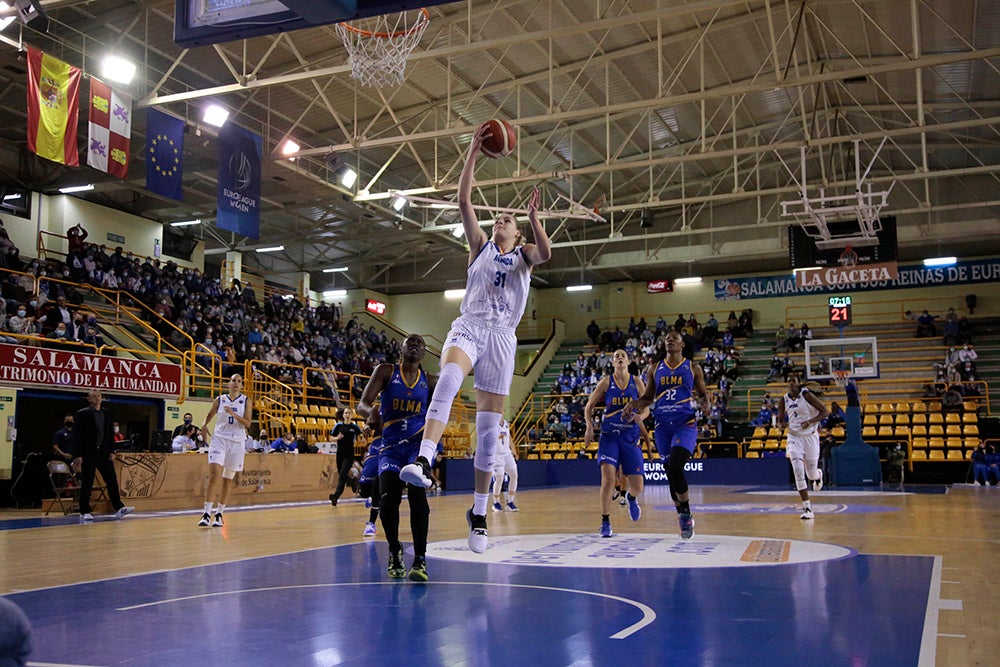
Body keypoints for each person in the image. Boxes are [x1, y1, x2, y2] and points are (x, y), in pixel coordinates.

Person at [397, 123, 552, 554]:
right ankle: (424, 458)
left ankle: (479, 513)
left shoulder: (524, 256)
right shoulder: (480, 245)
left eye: (510, 220)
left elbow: (547, 254)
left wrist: (536, 221)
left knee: (487, 431)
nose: (501, 219)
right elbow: (464, 199)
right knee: (447, 378)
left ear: (517, 234)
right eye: (499, 216)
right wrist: (472, 153)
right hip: (470, 324)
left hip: (503, 338)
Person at [355, 333, 436, 581]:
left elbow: (437, 416)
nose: (414, 343)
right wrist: (371, 413)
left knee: (417, 497)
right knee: (388, 501)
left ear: (424, 354)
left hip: (416, 446)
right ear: (400, 350)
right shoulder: (386, 371)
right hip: (390, 446)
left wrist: (432, 452)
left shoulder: (430, 381)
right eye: (409, 341)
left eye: (419, 343)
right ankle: (394, 549)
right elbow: (362, 405)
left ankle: (420, 558)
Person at [624, 330, 709, 539]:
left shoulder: (693, 367)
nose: (670, 341)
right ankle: (681, 514)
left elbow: (703, 393)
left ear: (682, 346)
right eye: (667, 339)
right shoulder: (654, 368)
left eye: (674, 339)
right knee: (671, 473)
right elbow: (647, 398)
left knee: (676, 466)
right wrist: (633, 405)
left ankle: (686, 512)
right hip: (662, 426)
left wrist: (705, 403)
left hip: (684, 423)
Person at [585, 348, 650, 538]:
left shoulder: (636, 382)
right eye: (616, 356)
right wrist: (589, 426)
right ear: (613, 363)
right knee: (607, 480)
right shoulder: (606, 382)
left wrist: (640, 417)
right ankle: (605, 521)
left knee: (638, 486)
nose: (620, 358)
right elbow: (589, 407)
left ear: (628, 362)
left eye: (623, 356)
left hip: (630, 436)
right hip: (609, 436)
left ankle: (630, 497)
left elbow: (646, 409)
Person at [198, 373, 252, 528]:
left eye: (239, 381)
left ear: (242, 385)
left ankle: (220, 513)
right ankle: (206, 513)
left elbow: (247, 423)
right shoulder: (220, 399)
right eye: (233, 380)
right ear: (228, 384)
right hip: (219, 440)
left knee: (228, 479)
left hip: (237, 442)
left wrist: (233, 414)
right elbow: (209, 414)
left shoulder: (246, 401)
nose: (236, 383)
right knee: (215, 475)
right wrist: (203, 425)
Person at [74, 388, 135, 523]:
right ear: (89, 399)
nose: (97, 398)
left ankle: (118, 507)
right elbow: (78, 435)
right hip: (88, 453)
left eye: (99, 396)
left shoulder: (107, 413)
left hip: (103, 453)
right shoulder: (83, 414)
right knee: (88, 482)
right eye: (94, 396)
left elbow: (109, 434)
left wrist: (111, 451)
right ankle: (84, 510)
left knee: (112, 480)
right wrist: (78, 455)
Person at [777, 374, 829, 520]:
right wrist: (781, 425)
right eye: (788, 382)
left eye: (793, 381)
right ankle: (807, 508)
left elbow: (825, 412)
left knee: (810, 474)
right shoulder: (783, 400)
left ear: (798, 383)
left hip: (810, 436)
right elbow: (780, 421)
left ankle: (818, 476)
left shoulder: (806, 395)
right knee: (798, 472)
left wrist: (810, 421)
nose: (790, 384)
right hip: (794, 437)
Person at [328, 407, 363, 506]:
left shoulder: (355, 427)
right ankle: (352, 482)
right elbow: (330, 438)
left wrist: (362, 440)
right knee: (341, 475)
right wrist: (337, 438)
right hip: (340, 453)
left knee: (343, 474)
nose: (347, 415)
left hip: (349, 454)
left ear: (351, 415)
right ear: (343, 415)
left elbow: (361, 438)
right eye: (346, 413)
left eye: (349, 413)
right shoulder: (338, 426)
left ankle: (336, 496)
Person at [358, 412, 383, 537]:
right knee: (364, 489)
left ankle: (371, 523)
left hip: (392, 447)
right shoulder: (380, 409)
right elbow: (369, 418)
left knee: (380, 487)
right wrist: (366, 426)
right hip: (377, 446)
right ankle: (372, 497)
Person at [490, 417, 519, 512]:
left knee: (514, 475)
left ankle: (510, 502)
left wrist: (514, 451)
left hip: (507, 454)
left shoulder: (506, 423)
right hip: (497, 455)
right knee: (499, 477)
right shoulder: (492, 424)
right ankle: (496, 502)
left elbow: (509, 438)